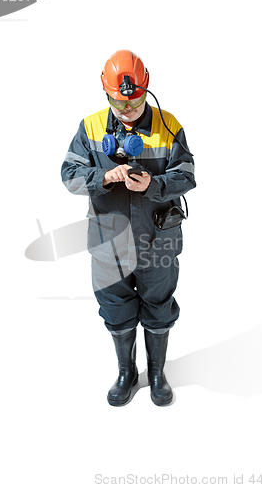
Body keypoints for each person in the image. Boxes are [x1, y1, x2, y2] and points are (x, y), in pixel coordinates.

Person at [61, 50, 196, 406]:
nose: (127, 111)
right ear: (106, 94)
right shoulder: (89, 128)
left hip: (158, 241)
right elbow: (69, 176)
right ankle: (126, 373)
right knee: (115, 308)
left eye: (134, 102)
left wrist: (153, 184)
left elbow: (187, 176)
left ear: (146, 90)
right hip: (109, 244)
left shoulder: (169, 126)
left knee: (159, 305)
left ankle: (156, 373)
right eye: (119, 104)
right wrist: (102, 176)